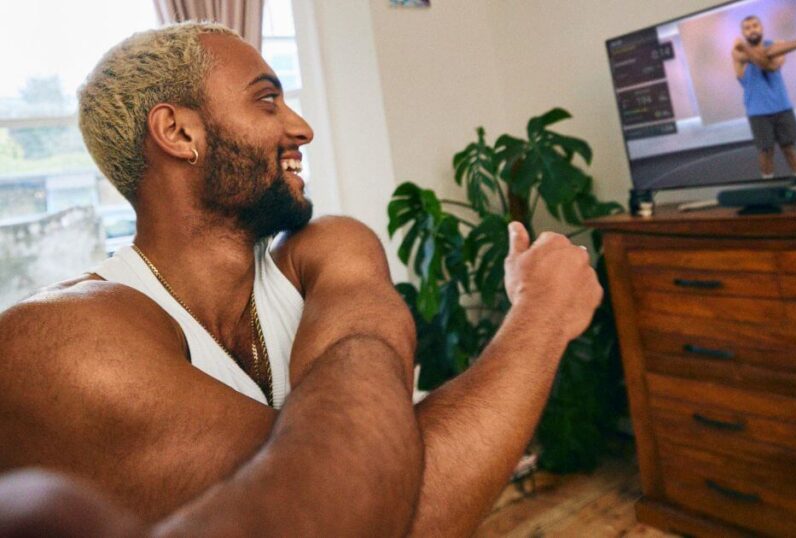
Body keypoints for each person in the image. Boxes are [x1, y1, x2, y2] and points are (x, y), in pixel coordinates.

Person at [0, 22, 602, 537]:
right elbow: (384, 517)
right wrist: (542, 313)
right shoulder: (60, 343)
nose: (302, 129)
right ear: (179, 133)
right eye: (267, 101)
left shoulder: (329, 250)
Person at [731, 15, 796, 180]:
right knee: (766, 152)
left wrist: (745, 48)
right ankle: (768, 185)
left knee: (789, 148)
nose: (752, 29)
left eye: (755, 25)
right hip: (757, 112)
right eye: (747, 28)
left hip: (782, 107)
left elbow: (770, 66)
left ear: (762, 28)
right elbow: (762, 59)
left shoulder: (776, 45)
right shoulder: (738, 53)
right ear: (743, 33)